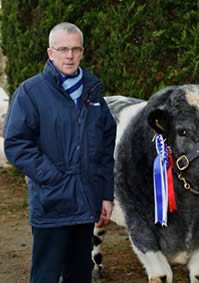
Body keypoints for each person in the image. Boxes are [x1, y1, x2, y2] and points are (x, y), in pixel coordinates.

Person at [3, 22, 116, 283]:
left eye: (76, 49)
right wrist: (54, 178)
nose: (70, 55)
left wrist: (106, 195)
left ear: (83, 52)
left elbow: (105, 150)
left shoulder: (94, 94)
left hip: (86, 203)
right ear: (50, 53)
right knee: (46, 277)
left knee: (79, 275)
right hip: (51, 204)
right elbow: (16, 144)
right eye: (63, 49)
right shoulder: (31, 92)